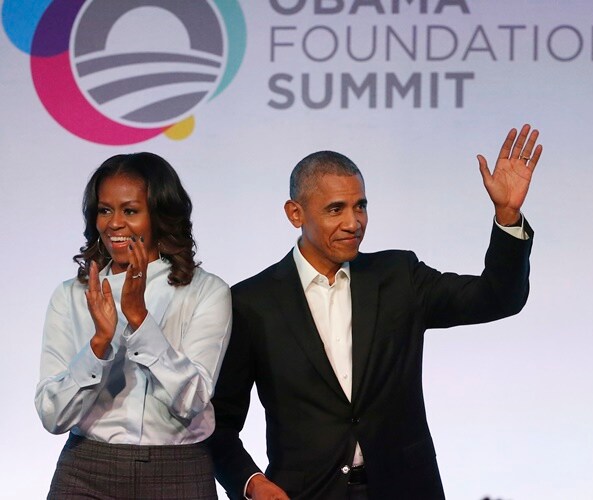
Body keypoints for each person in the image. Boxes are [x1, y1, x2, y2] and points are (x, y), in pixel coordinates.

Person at [207, 125, 542, 499]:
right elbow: (218, 422)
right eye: (336, 209)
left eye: (360, 206)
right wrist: (252, 484)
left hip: (406, 488)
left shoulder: (399, 277)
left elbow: (498, 298)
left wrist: (508, 216)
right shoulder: (251, 302)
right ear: (295, 213)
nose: (354, 223)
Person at [35, 152, 232, 499]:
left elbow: (192, 400)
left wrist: (140, 320)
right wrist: (99, 344)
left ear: (159, 215)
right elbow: (53, 415)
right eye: (104, 210)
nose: (114, 224)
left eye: (129, 211)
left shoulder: (206, 291)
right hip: (87, 469)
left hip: (179, 470)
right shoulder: (71, 295)